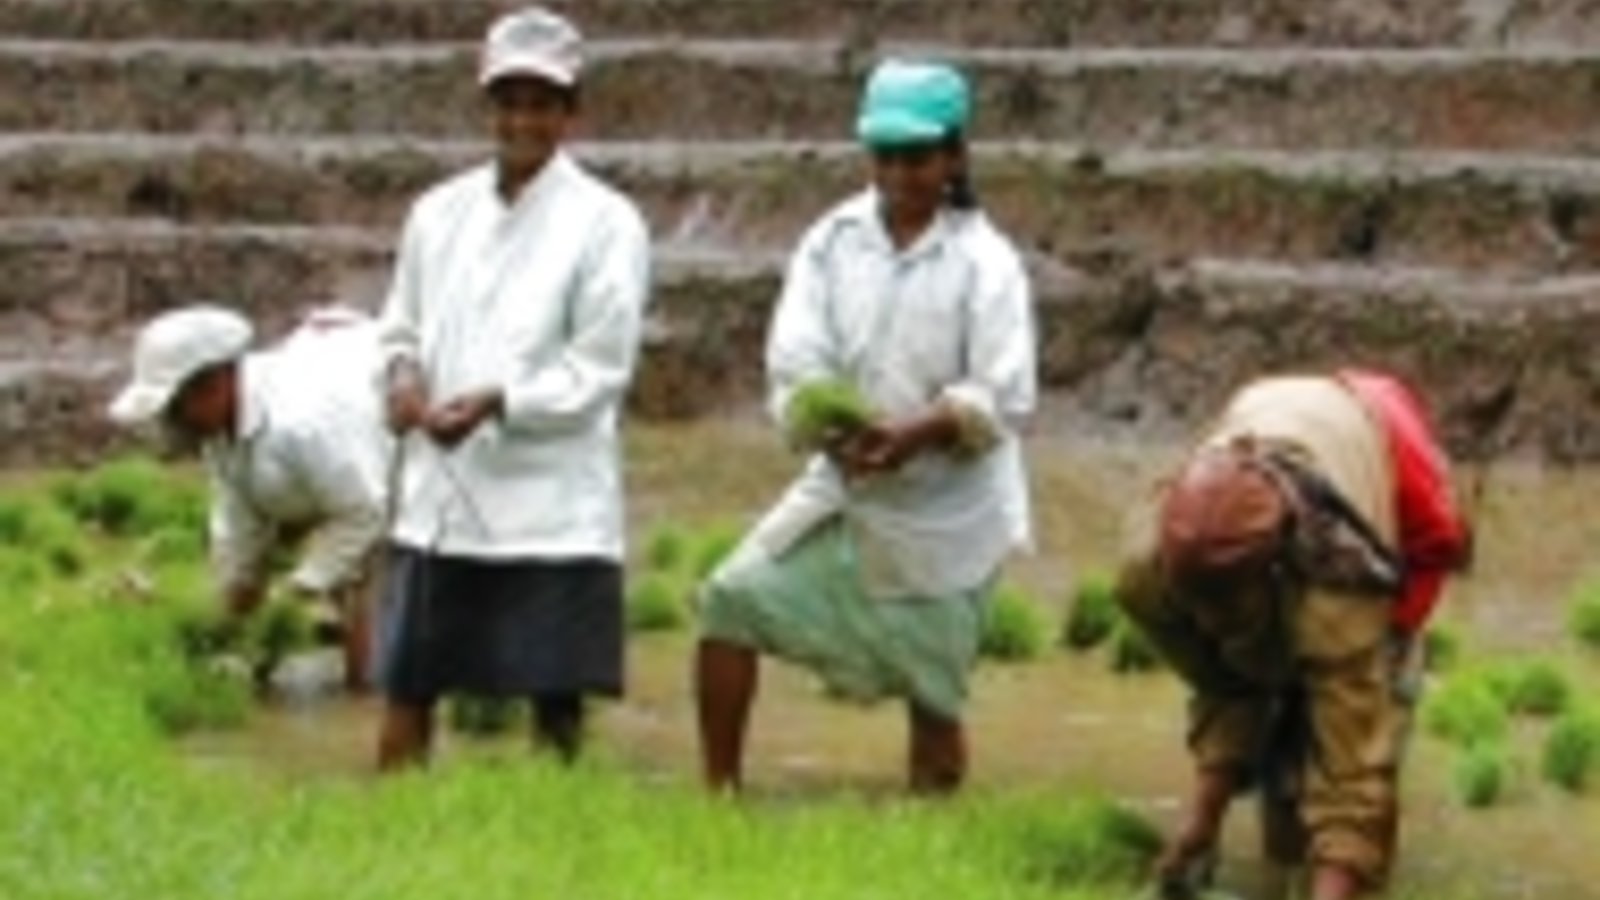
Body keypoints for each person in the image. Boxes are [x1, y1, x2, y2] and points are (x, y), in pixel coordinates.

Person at [694, 59, 1037, 794]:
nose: (901, 174)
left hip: (948, 509)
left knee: (933, 688)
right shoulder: (832, 241)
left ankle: (932, 838)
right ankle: (717, 797)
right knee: (729, 597)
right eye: (885, 157)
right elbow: (795, 354)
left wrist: (921, 429)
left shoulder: (987, 262)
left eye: (918, 158)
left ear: (954, 156)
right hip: (845, 479)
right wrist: (821, 422)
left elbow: (1003, 392)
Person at [374, 6, 651, 770]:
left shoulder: (606, 224)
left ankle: (554, 849)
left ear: (572, 112)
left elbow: (599, 369)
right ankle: (384, 841)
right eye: (509, 100)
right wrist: (403, 381)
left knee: (555, 705)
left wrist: (499, 401)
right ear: (487, 106)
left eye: (541, 102)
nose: (523, 118)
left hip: (553, 504)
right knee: (408, 688)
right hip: (441, 497)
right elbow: (398, 327)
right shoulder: (437, 214)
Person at [1115, 370, 1472, 900]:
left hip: (1395, 531)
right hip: (1268, 415)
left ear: (1277, 572)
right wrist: (1202, 821)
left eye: (1227, 610)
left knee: (1369, 738)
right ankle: (1279, 863)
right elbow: (1225, 685)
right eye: (1201, 610)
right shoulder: (1148, 569)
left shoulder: (1340, 582)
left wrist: (1391, 641)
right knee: (1283, 825)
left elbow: (1354, 772)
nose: (1209, 626)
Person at [108, 303, 390, 692]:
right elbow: (236, 515)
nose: (174, 421)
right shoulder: (218, 428)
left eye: (176, 408)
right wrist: (233, 598)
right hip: (335, 485)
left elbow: (367, 511)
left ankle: (374, 709)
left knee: (369, 654)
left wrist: (300, 587)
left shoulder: (301, 425)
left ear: (215, 383)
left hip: (393, 473)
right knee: (296, 593)